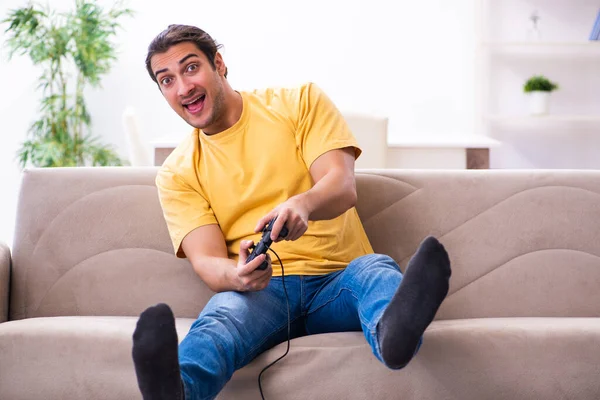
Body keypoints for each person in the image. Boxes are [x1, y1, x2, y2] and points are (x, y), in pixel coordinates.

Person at [131, 24, 452, 400]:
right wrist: (239, 275)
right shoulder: (177, 172)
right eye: (166, 80)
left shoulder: (300, 102)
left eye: (190, 68)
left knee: (375, 271)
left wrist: (304, 204)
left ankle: (394, 338)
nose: (183, 88)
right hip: (263, 293)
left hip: (338, 279)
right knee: (220, 320)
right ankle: (176, 391)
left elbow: (341, 185)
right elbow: (207, 261)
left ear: (219, 64)